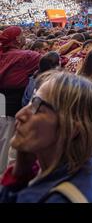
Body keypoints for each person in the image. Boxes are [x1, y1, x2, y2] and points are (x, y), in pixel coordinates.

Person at [0, 71, 92, 203]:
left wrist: (17, 178)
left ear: (72, 127)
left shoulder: (55, 198)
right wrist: (22, 171)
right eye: (31, 102)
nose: (20, 115)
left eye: (37, 107)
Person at [0, 27, 41, 174]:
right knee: (7, 148)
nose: (25, 37)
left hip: (3, 103)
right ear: (17, 39)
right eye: (22, 35)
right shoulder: (26, 56)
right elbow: (50, 59)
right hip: (10, 108)